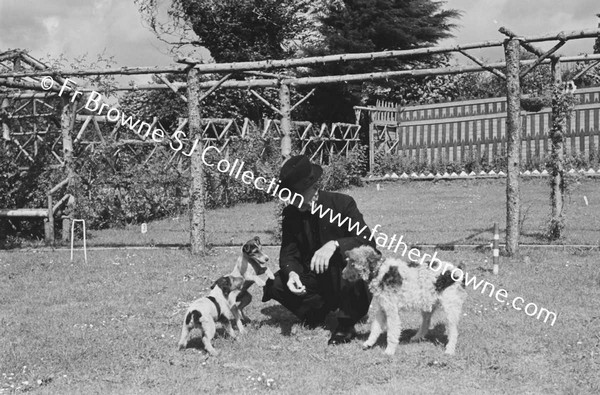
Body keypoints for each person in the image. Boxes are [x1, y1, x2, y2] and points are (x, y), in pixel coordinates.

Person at [262, 155, 377, 345]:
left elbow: (367, 241)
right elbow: (288, 254)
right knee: (276, 283)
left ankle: (346, 324)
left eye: (296, 197)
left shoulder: (342, 204)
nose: (292, 202)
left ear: (313, 190)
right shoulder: (291, 214)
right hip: (316, 279)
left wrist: (334, 245)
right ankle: (315, 313)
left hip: (343, 276)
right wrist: (292, 274)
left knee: (346, 261)